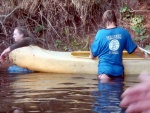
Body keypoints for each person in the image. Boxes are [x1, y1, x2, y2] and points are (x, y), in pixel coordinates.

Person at [90, 10, 149, 82]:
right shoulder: (123, 32)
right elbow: (135, 50)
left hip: (104, 73)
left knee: (105, 88)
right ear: (115, 19)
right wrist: (145, 56)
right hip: (118, 73)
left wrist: (91, 56)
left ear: (104, 20)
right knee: (117, 91)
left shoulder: (100, 34)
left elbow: (93, 54)